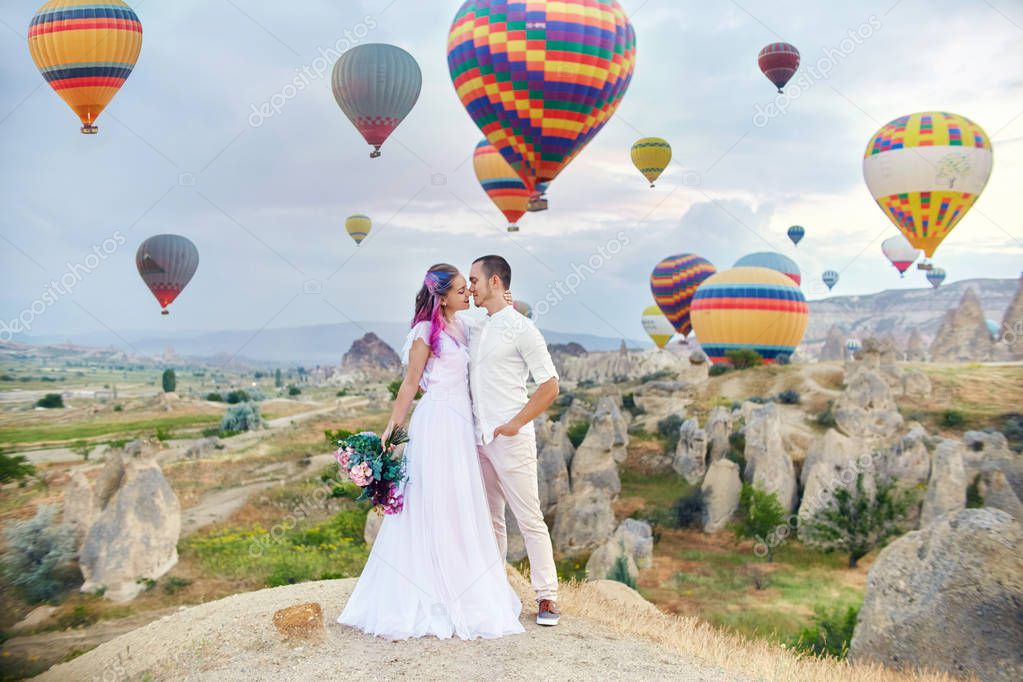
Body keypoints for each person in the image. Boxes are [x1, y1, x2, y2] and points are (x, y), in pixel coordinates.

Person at [337, 263, 524, 640]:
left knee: (460, 502)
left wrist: (506, 301)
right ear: (440, 297)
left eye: (467, 288)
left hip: (460, 424)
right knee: (432, 500)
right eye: (460, 290)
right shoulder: (425, 332)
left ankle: (460, 583)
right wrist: (392, 429)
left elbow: (501, 324)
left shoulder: (466, 325)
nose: (467, 294)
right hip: (437, 421)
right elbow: (409, 385)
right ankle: (427, 588)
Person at [467, 255, 562, 626]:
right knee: (490, 519)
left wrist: (515, 423)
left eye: (474, 279)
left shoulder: (523, 329)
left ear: (494, 282)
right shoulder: (477, 329)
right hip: (478, 440)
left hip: (511, 439)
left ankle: (547, 597)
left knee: (529, 518)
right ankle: (494, 589)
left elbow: (550, 386)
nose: (470, 287)